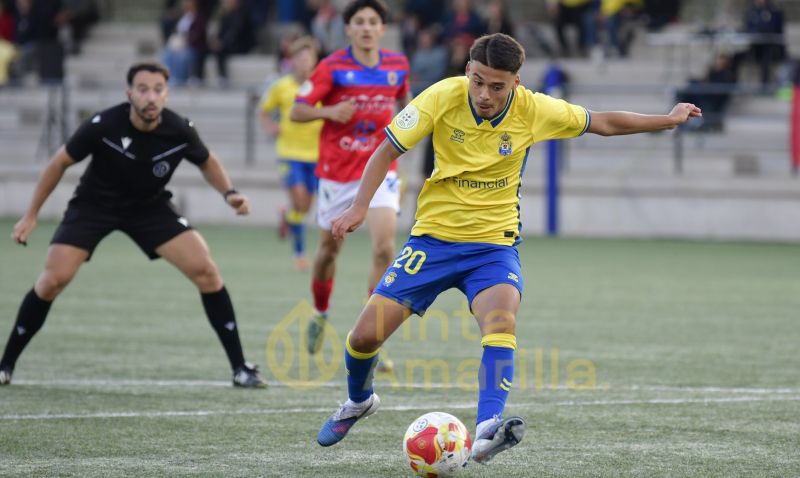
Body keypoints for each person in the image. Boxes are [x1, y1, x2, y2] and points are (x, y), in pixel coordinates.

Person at [315, 33, 701, 465]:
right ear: (468, 71)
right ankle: (359, 401)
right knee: (364, 337)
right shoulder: (441, 96)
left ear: (516, 82)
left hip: (493, 247)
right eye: (478, 81)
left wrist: (667, 120)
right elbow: (386, 150)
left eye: (497, 86)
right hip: (432, 240)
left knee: (500, 321)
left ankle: (487, 429)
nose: (485, 94)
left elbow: (603, 122)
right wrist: (360, 206)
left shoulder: (534, 109)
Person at [0, 62, 267, 388]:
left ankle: (240, 368)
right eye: (143, 89)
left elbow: (206, 160)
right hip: (94, 206)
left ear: (166, 95)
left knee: (206, 271)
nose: (150, 97)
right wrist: (31, 215)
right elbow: (59, 162)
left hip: (149, 208)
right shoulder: (102, 124)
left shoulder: (179, 129)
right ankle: (5, 364)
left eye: (157, 90)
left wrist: (230, 193)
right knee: (52, 280)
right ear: (129, 94)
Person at [289, 0, 410, 366]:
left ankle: (370, 337)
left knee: (385, 250)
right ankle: (320, 310)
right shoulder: (332, 66)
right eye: (359, 21)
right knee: (329, 250)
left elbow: (406, 106)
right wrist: (328, 111)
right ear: (348, 29)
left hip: (381, 170)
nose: (367, 27)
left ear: (382, 29)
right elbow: (297, 110)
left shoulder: (397, 66)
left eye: (373, 21)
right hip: (337, 174)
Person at [259, 36, 323, 271]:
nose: (304, 62)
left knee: (304, 207)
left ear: (315, 61)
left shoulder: (322, 86)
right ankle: (299, 253)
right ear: (292, 60)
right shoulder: (281, 86)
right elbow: (264, 111)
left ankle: (286, 215)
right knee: (298, 199)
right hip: (289, 152)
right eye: (300, 58)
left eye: (309, 58)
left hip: (316, 154)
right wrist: (271, 127)